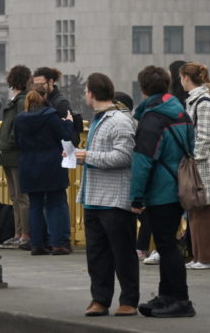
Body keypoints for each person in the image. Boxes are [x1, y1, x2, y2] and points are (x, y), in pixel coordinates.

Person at [130, 65, 196, 318]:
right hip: (178, 185)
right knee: (167, 243)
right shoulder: (181, 113)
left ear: (143, 88)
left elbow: (143, 161)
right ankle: (167, 296)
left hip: (160, 190)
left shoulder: (152, 119)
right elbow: (189, 147)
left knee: (167, 246)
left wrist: (136, 195)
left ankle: (180, 300)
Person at [75, 73, 139, 317]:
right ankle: (100, 299)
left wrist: (87, 156)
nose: (84, 95)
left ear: (92, 92)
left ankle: (129, 301)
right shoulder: (100, 120)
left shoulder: (119, 121)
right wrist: (82, 156)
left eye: (86, 91)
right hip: (93, 198)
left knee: (122, 253)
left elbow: (124, 157)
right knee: (97, 254)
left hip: (114, 200)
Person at [14, 88, 74, 256]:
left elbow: (17, 142)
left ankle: (37, 244)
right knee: (55, 202)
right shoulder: (50, 115)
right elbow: (64, 137)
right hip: (51, 164)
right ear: (44, 98)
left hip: (28, 166)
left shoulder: (20, 119)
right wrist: (68, 122)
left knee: (35, 205)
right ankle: (57, 243)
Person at [179, 62, 210, 270]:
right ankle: (200, 256)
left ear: (186, 78)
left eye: (181, 77)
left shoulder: (202, 101)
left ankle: (208, 257)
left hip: (200, 165)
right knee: (195, 209)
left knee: (202, 209)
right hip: (196, 163)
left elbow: (205, 135)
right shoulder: (197, 100)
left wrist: (194, 157)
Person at [0, 65, 32, 249]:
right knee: (15, 195)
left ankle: (24, 233)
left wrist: (7, 143)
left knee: (20, 196)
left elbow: (17, 127)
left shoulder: (20, 101)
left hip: (13, 153)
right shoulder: (18, 99)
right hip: (10, 153)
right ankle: (19, 233)